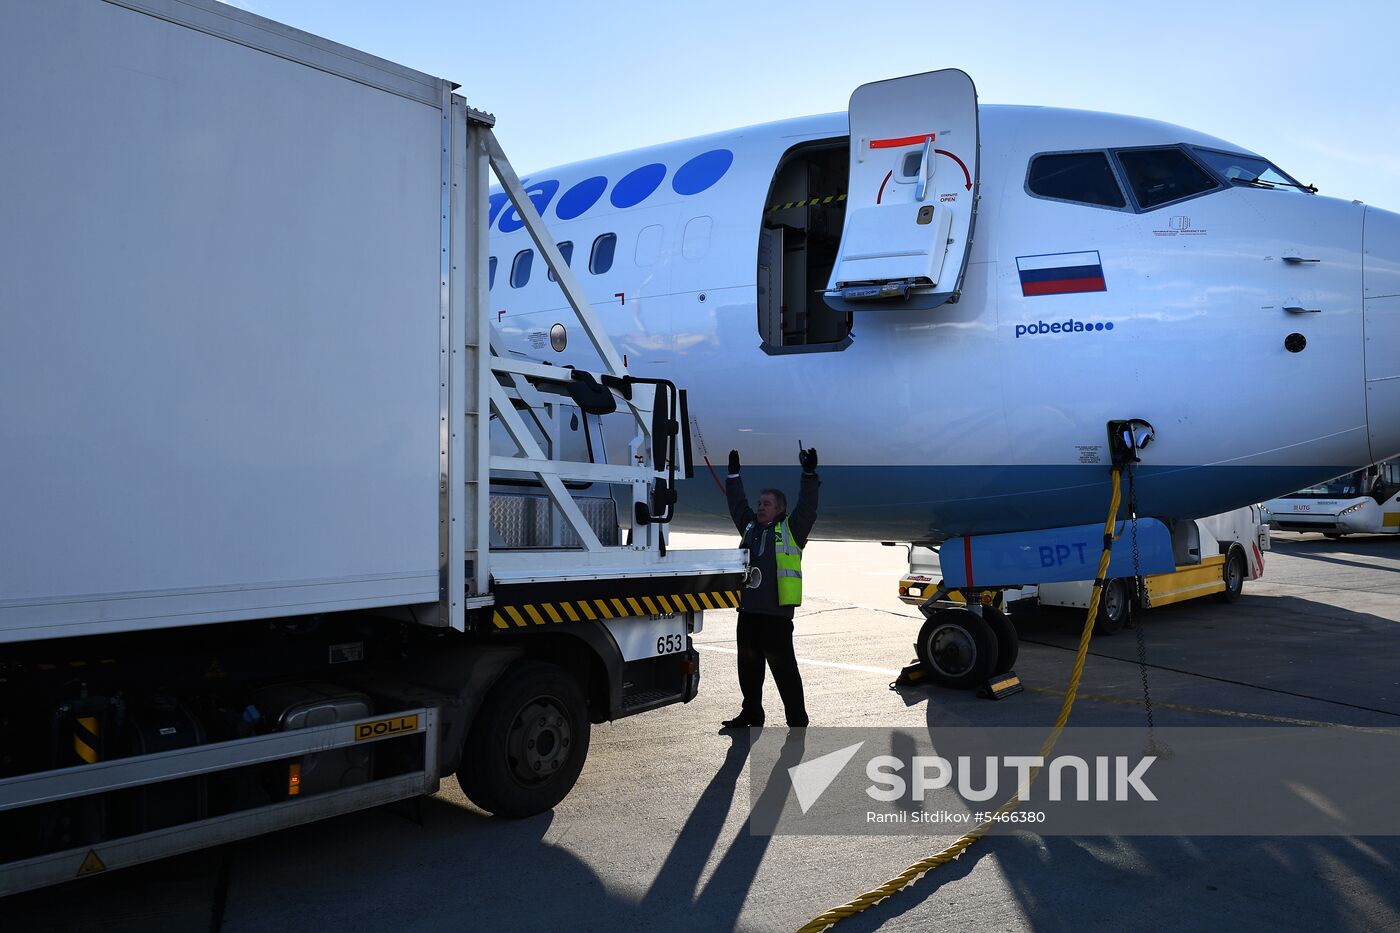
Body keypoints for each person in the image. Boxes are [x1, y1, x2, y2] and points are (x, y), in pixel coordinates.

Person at [720, 446, 819, 729]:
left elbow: (808, 507)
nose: (760, 507)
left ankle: (797, 720)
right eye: (759, 503)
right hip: (749, 612)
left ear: (780, 509)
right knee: (748, 669)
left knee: (784, 671)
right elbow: (737, 504)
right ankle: (752, 712)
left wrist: (809, 474)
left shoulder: (792, 530)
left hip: (776, 616)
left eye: (766, 503)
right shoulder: (750, 527)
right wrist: (733, 474)